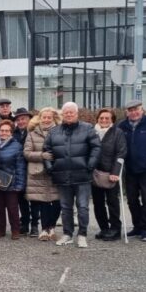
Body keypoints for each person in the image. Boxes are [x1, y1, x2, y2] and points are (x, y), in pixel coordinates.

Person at [44, 102, 101, 248]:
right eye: (66, 112)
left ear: (77, 114)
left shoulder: (88, 128)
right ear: (62, 114)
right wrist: (51, 168)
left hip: (82, 175)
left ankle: (82, 235)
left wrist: (90, 165)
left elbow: (96, 148)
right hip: (62, 175)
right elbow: (47, 151)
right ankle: (67, 234)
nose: (69, 114)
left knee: (82, 207)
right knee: (65, 207)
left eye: (72, 112)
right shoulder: (54, 131)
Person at [116, 100, 146, 242]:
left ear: (142, 110)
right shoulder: (121, 126)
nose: (134, 112)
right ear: (127, 112)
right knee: (132, 200)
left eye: (136, 109)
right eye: (130, 110)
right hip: (130, 169)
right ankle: (137, 226)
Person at [24, 108, 61, 241]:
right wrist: (42, 155)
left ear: (53, 118)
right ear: (40, 118)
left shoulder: (60, 131)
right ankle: (45, 229)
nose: (46, 120)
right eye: (43, 117)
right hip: (38, 172)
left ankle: (52, 226)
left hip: (56, 170)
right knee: (44, 202)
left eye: (49, 117)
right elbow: (27, 153)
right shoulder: (32, 133)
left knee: (57, 202)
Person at [91, 108, 127, 242]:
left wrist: (115, 172)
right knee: (98, 203)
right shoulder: (92, 132)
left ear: (112, 120)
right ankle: (104, 228)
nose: (104, 120)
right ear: (97, 119)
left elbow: (121, 153)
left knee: (112, 202)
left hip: (111, 173)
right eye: (101, 118)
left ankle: (115, 229)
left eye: (107, 118)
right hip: (95, 173)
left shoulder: (117, 133)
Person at [0, 120, 27, 240]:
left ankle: (15, 230)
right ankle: (1, 229)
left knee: (12, 208)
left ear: (11, 132)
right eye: (2, 130)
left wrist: (19, 185)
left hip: (12, 181)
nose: (4, 133)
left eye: (7, 131)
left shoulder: (17, 146)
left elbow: (21, 167)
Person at [12, 108, 34, 235]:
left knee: (35, 199)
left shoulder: (34, 131)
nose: (21, 121)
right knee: (22, 199)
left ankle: (35, 224)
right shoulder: (14, 133)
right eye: (18, 119)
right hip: (19, 170)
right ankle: (25, 223)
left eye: (23, 119)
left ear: (29, 119)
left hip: (32, 168)